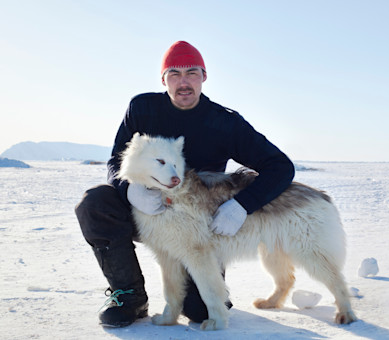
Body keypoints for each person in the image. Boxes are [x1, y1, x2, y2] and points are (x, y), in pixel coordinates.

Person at [75, 41, 295, 328]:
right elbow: (116, 161)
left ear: (204, 77)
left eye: (192, 73)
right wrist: (129, 189)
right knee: (95, 203)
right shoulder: (142, 109)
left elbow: (281, 167)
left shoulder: (225, 123)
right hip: (147, 215)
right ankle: (129, 296)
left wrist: (241, 206)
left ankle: (206, 295)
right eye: (174, 73)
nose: (183, 82)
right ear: (163, 79)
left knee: (202, 312)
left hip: (195, 227)